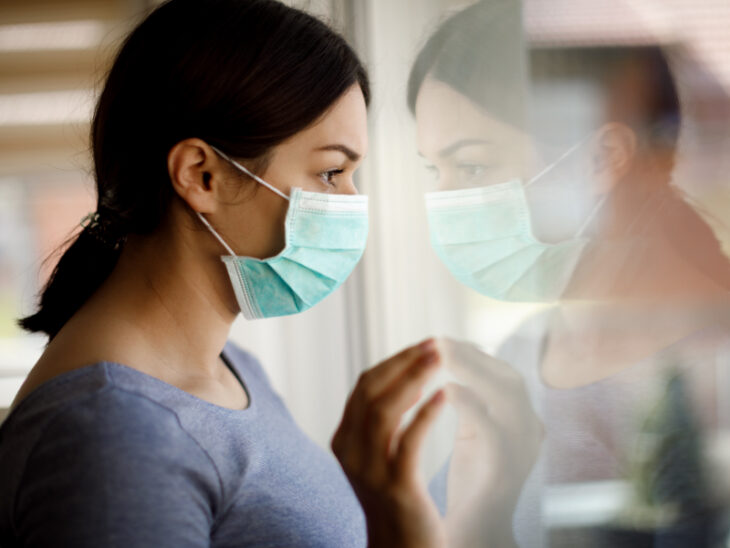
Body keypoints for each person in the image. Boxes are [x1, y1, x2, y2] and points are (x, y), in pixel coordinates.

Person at [0, 1, 451, 547]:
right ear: (202, 175)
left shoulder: (228, 368)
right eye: (331, 172)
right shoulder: (111, 432)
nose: (354, 202)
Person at [409, 0, 730, 546]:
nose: (441, 203)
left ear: (603, 156)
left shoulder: (713, 362)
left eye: (473, 166)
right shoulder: (513, 362)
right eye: (434, 169)